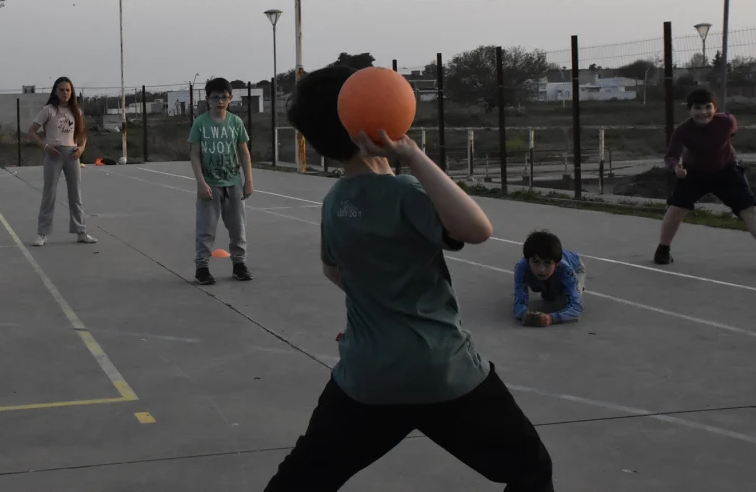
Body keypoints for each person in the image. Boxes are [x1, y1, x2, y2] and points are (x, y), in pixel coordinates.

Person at [264, 65, 553, 492]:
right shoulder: (406, 193)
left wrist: (375, 303)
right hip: (442, 370)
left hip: (367, 377)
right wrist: (414, 157)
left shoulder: (335, 201)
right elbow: (478, 230)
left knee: (302, 478)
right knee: (530, 467)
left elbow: (332, 268)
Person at [654, 87, 756, 269]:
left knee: (749, 208)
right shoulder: (683, 130)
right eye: (697, 108)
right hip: (694, 174)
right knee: (676, 207)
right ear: (689, 110)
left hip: (726, 172)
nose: (703, 112)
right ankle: (662, 250)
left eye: (708, 107)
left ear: (715, 108)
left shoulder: (727, 122)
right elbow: (671, 156)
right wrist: (676, 168)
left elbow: (730, 135)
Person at [188, 77, 254, 285]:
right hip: (210, 184)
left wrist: (248, 180)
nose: (220, 101)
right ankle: (202, 267)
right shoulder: (200, 123)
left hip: (233, 183)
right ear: (207, 99)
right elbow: (195, 154)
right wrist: (201, 182)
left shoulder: (235, 123)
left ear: (230, 99)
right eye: (215, 97)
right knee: (206, 229)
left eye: (224, 97)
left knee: (238, 228)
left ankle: (239, 264)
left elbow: (244, 153)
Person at [27, 77, 97, 246]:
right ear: (55, 91)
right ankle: (42, 233)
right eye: (61, 90)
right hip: (54, 154)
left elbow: (82, 134)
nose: (65, 93)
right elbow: (31, 132)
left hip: (72, 154)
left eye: (67, 90)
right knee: (49, 193)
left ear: (71, 92)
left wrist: (81, 148)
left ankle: (81, 231)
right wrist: (45, 147)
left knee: (75, 194)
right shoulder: (49, 110)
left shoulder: (76, 111)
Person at [513, 231, 586, 327]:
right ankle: (548, 286)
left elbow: (576, 308)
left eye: (547, 263)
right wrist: (524, 314)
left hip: (575, 268)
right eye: (536, 262)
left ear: (557, 263)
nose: (541, 270)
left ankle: (560, 286)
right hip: (551, 272)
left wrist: (551, 318)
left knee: (563, 298)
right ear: (527, 260)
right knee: (548, 296)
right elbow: (519, 301)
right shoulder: (521, 267)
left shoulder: (566, 269)